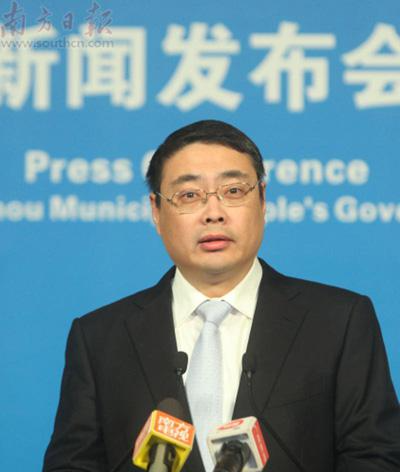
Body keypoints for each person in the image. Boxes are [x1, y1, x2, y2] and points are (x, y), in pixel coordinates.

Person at [43, 120, 400, 472]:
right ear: (156, 211)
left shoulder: (338, 322)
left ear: (262, 200)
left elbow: (376, 457)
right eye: (189, 195)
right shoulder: (101, 339)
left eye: (233, 191)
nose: (213, 214)